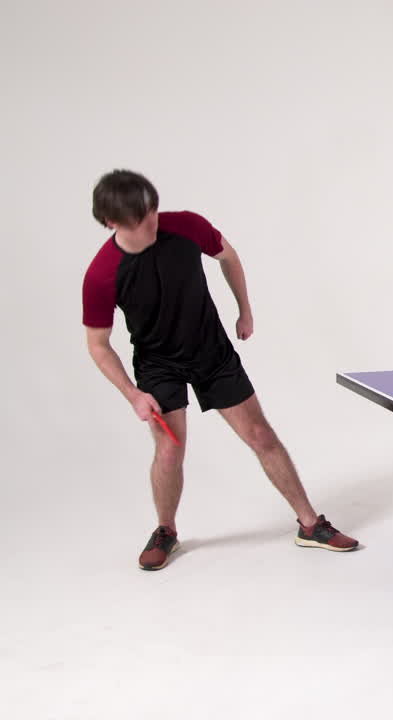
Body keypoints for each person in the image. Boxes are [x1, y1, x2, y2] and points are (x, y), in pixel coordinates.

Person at [82, 170, 358, 569]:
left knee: (261, 434)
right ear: (112, 223)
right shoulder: (102, 273)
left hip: (212, 351)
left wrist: (244, 310)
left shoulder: (187, 226)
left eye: (153, 211)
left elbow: (228, 256)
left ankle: (310, 524)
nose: (153, 223)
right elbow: (97, 344)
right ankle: (166, 530)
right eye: (142, 220)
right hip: (158, 364)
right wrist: (133, 394)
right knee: (169, 452)